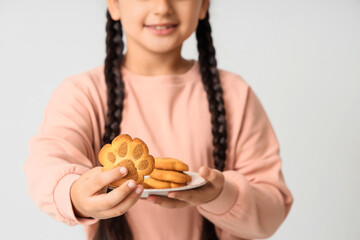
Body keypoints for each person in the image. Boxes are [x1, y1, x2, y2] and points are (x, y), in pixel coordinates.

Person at [25, 0, 293, 239]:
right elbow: (47, 163)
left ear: (203, 5)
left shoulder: (235, 94)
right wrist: (74, 195)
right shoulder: (84, 94)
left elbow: (272, 210)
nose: (163, 7)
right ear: (115, 4)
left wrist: (222, 195)